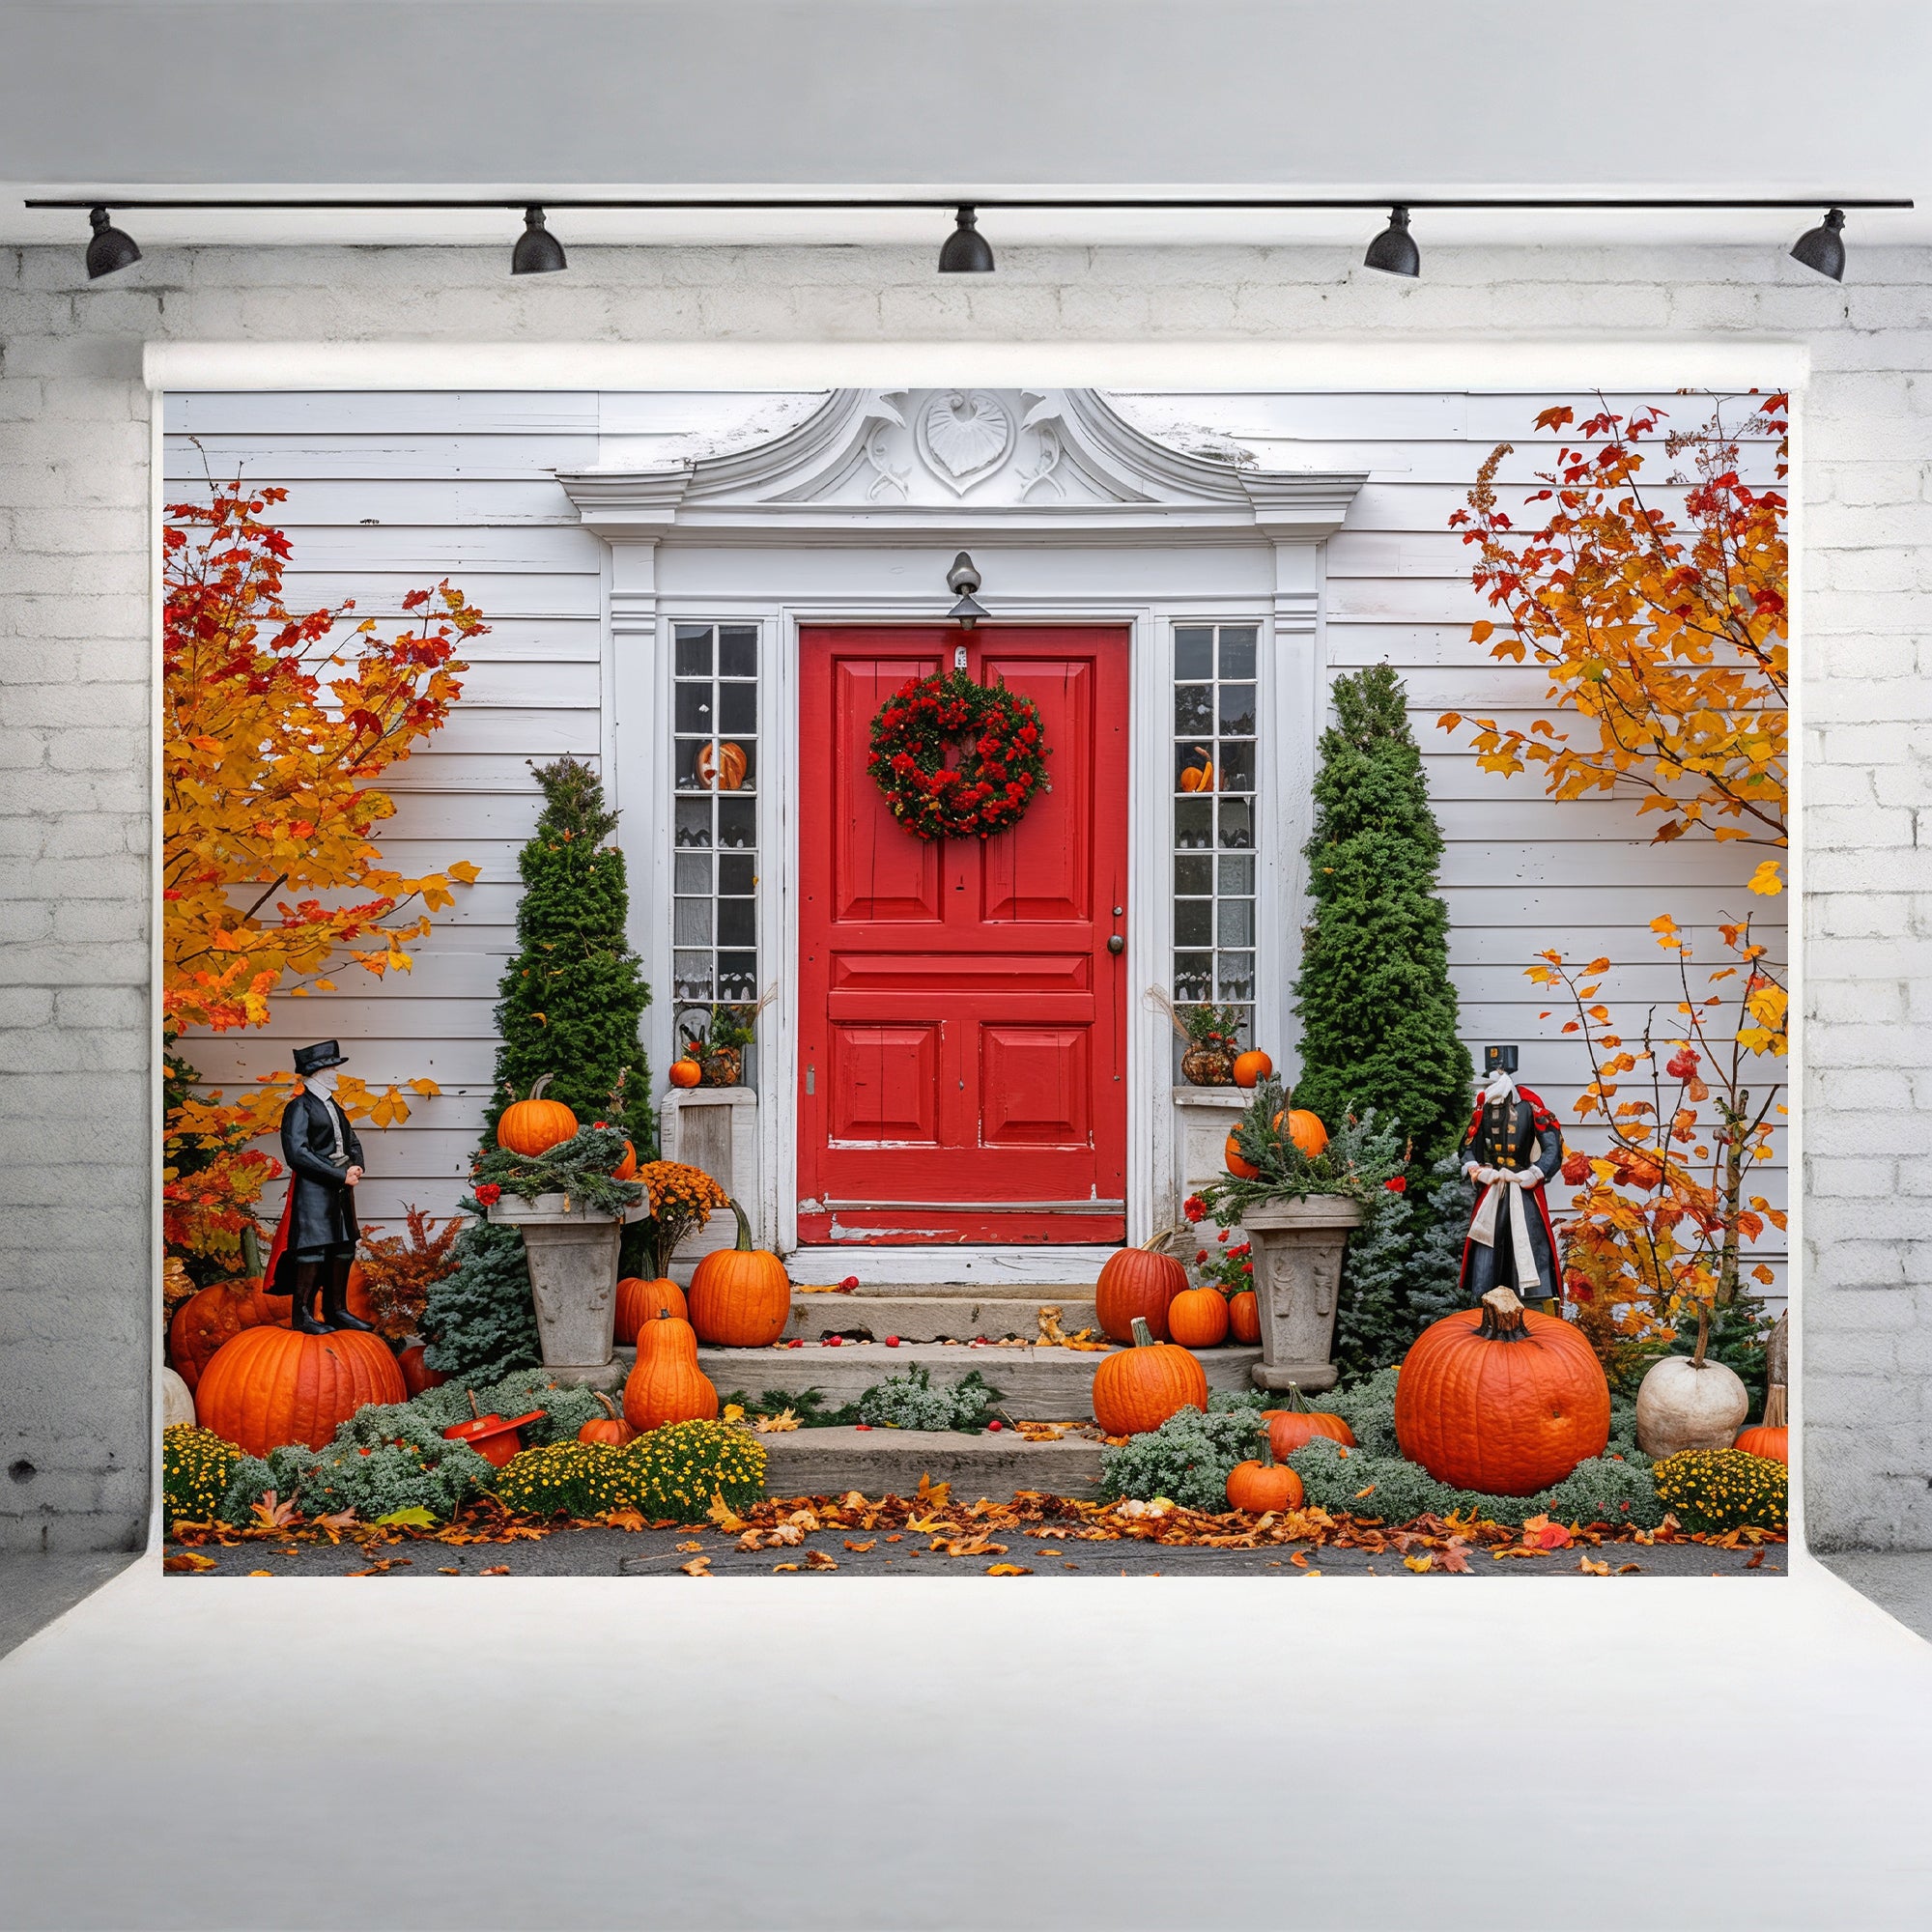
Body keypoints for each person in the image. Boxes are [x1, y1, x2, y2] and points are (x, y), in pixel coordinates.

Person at [264, 1040, 373, 1335]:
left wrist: (357, 1164)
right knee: (312, 1250)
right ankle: (303, 1314)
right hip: (313, 1192)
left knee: (343, 1248)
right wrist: (338, 1175)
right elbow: (297, 1153)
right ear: (318, 1072)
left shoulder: (334, 1107)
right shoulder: (299, 1107)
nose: (337, 1073)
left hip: (340, 1193)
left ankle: (336, 1310)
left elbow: (351, 1141)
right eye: (333, 1068)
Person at [1457, 1044, 1565, 1313]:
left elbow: (1552, 1145)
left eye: (1501, 1070)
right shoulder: (1482, 1107)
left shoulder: (1530, 1105)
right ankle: (1487, 1306)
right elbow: (1467, 1146)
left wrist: (1535, 1172)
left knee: (1528, 1244)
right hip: (1492, 1189)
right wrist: (1478, 1170)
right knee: (1487, 1251)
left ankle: (1532, 1309)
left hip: (1523, 1190)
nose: (1496, 1074)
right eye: (1493, 1070)